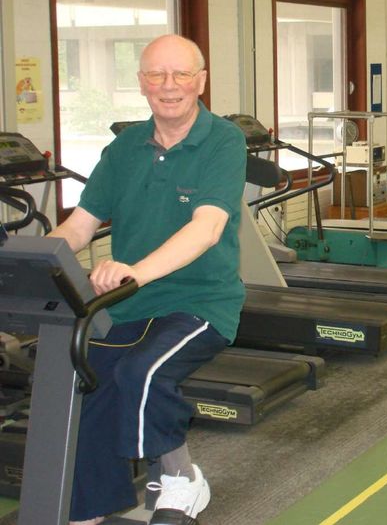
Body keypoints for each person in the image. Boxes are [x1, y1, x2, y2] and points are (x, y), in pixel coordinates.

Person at [49, 34, 247, 525]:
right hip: (127, 304)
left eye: (181, 74)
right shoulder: (124, 148)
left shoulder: (223, 140)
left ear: (201, 81)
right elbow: (79, 226)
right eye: (157, 75)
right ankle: (88, 509)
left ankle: (180, 478)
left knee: (142, 373)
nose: (169, 85)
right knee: (84, 381)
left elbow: (207, 228)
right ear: (141, 83)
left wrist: (135, 271)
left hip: (200, 303)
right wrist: (35, 258)